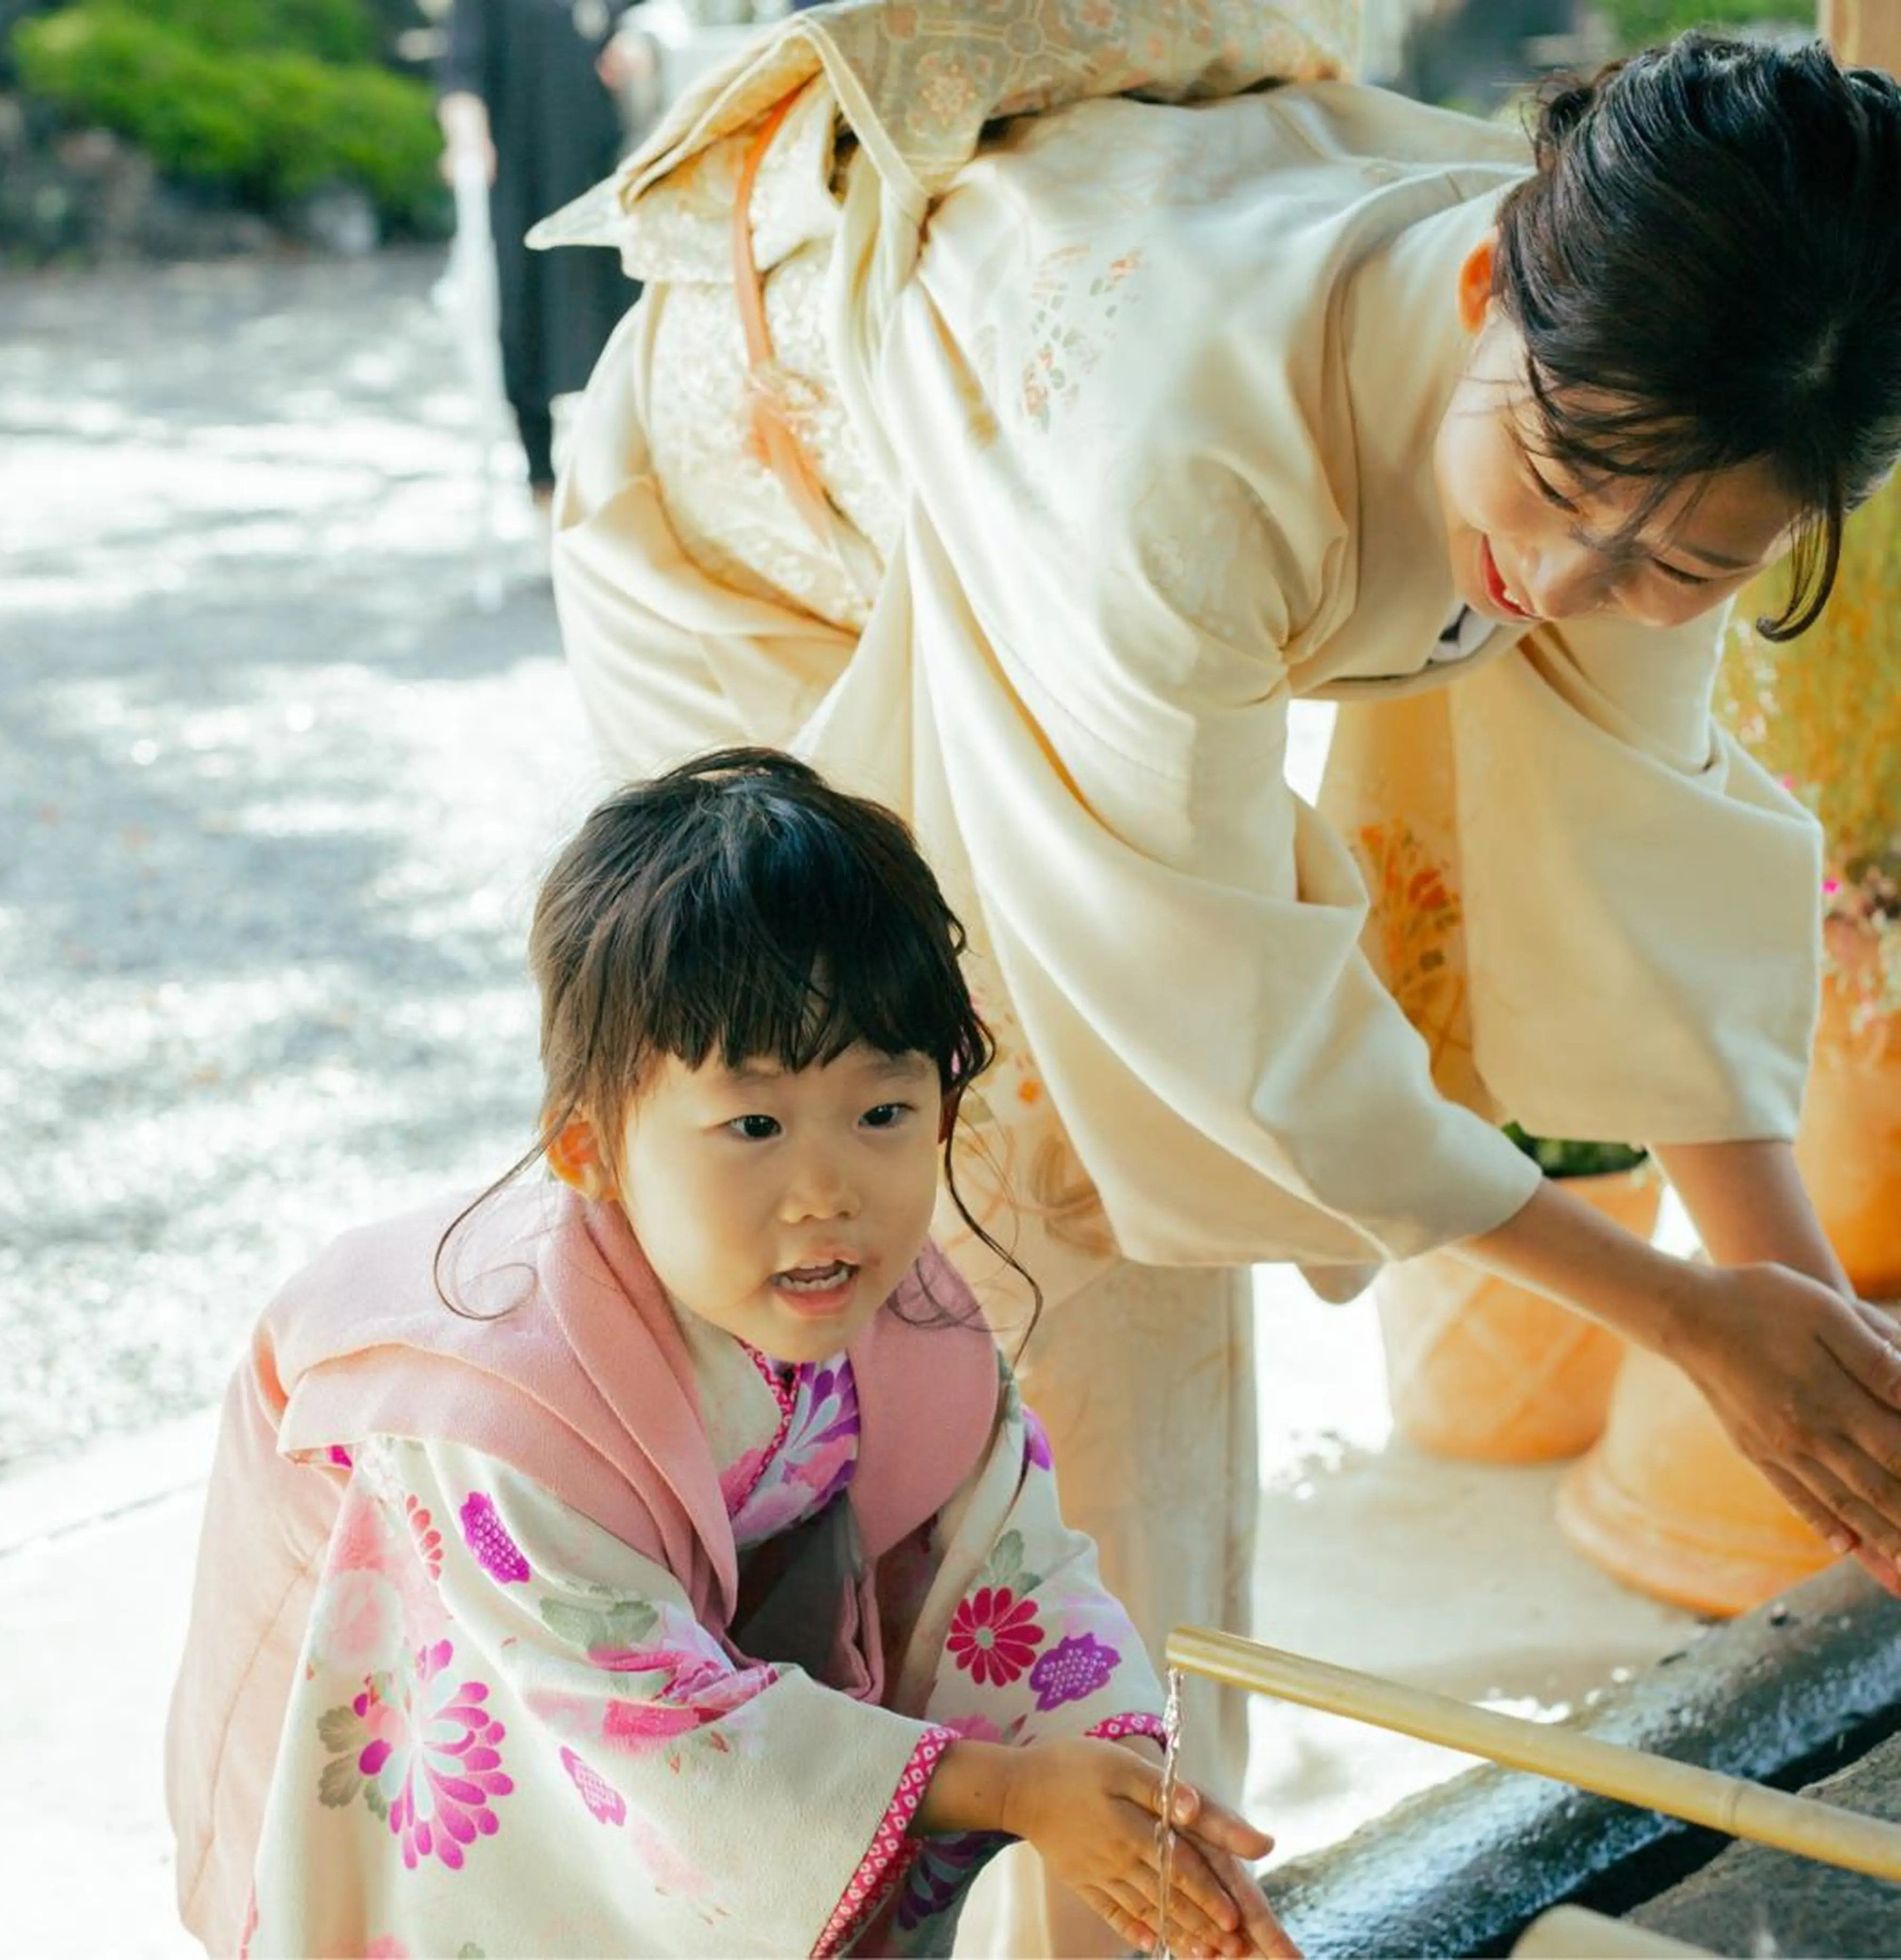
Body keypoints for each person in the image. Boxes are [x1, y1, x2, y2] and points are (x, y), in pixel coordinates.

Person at [531, 5, 1901, 1940]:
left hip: (1072, 591)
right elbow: (1204, 1025)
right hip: (765, 572)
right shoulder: (1171, 437)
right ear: (1493, 268)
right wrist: (1684, 1321)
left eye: (1685, 565)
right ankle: (841, 1857)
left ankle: (1116, 1896)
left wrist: (1811, 1354)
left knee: (1060, 1294)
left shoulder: (1675, 368)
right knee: (991, 1233)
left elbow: (1633, 849)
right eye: (1565, 477)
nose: (1586, 575)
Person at [164, 748, 1295, 1959]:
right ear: (591, 1149)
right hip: (438, 1700)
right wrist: (1005, 1790)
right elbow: (644, 1732)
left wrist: (1128, 1802)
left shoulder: (911, 1325)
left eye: (882, 1113)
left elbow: (1012, 1583)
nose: (825, 1194)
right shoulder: (494, 1406)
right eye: (751, 1125)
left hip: (681, 1670)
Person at [436, 0, 639, 494]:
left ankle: (619, 479)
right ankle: (542, 480)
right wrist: (468, 141)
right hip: (525, 176)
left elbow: (651, 21)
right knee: (525, 321)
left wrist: (639, 46)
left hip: (607, 177)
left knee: (621, 328)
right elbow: (461, 72)